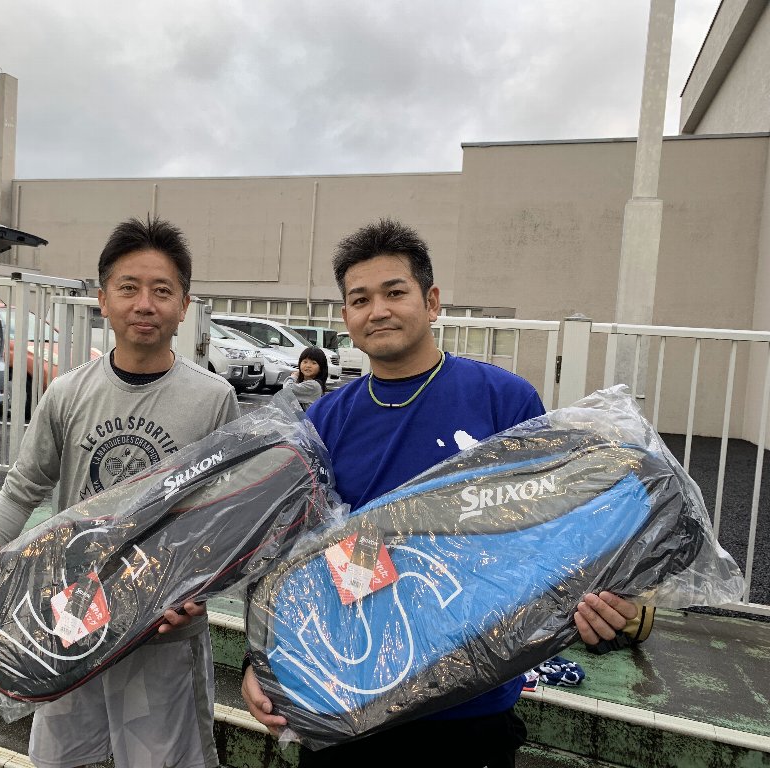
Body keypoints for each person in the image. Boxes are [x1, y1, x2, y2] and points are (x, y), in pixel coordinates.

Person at [240, 217, 647, 768]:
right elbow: (291, 554)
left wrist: (603, 599)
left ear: (431, 302)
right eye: (360, 299)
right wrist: (260, 660)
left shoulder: (504, 400)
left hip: (470, 706)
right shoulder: (324, 419)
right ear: (346, 318)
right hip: (346, 696)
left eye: (395, 292)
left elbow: (552, 535)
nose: (378, 310)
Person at [0, 216, 239, 768]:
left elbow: (225, 517)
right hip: (70, 618)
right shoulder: (67, 393)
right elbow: (22, 489)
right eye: (128, 288)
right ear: (103, 300)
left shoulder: (213, 399)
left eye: (162, 290)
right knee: (60, 760)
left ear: (184, 305)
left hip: (161, 629)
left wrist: (200, 592)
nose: (144, 304)